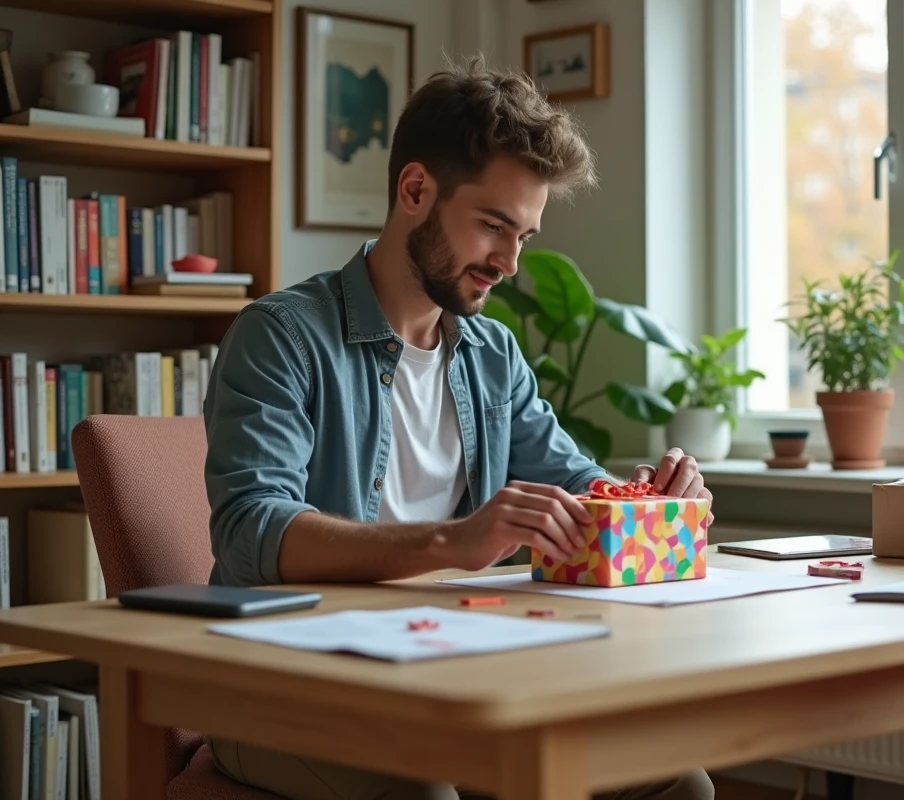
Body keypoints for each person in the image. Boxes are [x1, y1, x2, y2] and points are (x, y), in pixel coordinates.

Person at [200, 54, 716, 800]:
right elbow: (251, 532)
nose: (509, 261)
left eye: (525, 236)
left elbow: (574, 478)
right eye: (493, 226)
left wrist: (642, 496)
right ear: (415, 190)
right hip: (287, 693)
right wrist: (452, 542)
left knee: (678, 785)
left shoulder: (490, 352)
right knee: (427, 793)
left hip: (452, 677)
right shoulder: (280, 336)